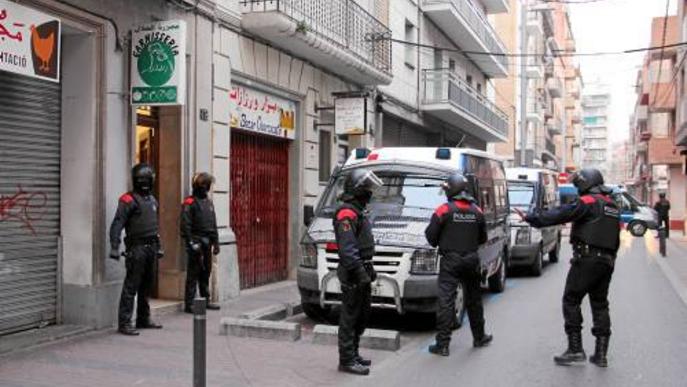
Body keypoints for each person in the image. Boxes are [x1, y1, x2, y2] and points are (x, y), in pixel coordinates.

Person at [514, 168, 620, 368]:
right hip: (607, 261)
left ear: (586, 183)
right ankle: (601, 354)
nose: (578, 188)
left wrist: (531, 217)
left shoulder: (588, 201)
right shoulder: (612, 205)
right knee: (600, 304)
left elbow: (560, 214)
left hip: (587, 259)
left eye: (579, 184)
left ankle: (575, 350)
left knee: (571, 300)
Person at [425, 173, 492, 357]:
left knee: (446, 301)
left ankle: (443, 345)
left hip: (450, 261)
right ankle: (479, 337)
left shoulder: (443, 211)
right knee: (474, 300)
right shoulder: (477, 211)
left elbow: (431, 237)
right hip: (471, 260)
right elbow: (483, 238)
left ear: (451, 190)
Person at [333, 168, 383, 376]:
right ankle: (346, 360)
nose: (369, 193)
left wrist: (368, 269)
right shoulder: (346, 213)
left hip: (362, 267)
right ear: (357, 189)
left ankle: (353, 353)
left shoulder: (357, 211)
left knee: (362, 316)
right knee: (350, 317)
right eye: (366, 188)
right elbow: (348, 250)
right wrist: (360, 272)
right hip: (353, 271)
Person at [109, 163, 164, 336]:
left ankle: (143, 318)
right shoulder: (128, 200)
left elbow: (154, 228)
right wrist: (115, 246)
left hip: (151, 248)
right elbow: (117, 224)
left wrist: (159, 247)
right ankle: (125, 323)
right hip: (137, 248)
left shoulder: (152, 200)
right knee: (131, 286)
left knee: (147, 286)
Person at [181, 172, 221, 313]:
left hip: (207, 243)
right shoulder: (189, 203)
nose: (208, 187)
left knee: (206, 272)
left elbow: (213, 224)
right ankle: (189, 303)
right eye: (206, 184)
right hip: (196, 242)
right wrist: (191, 242)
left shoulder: (208, 203)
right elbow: (185, 225)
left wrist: (216, 243)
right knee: (193, 274)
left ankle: (206, 300)